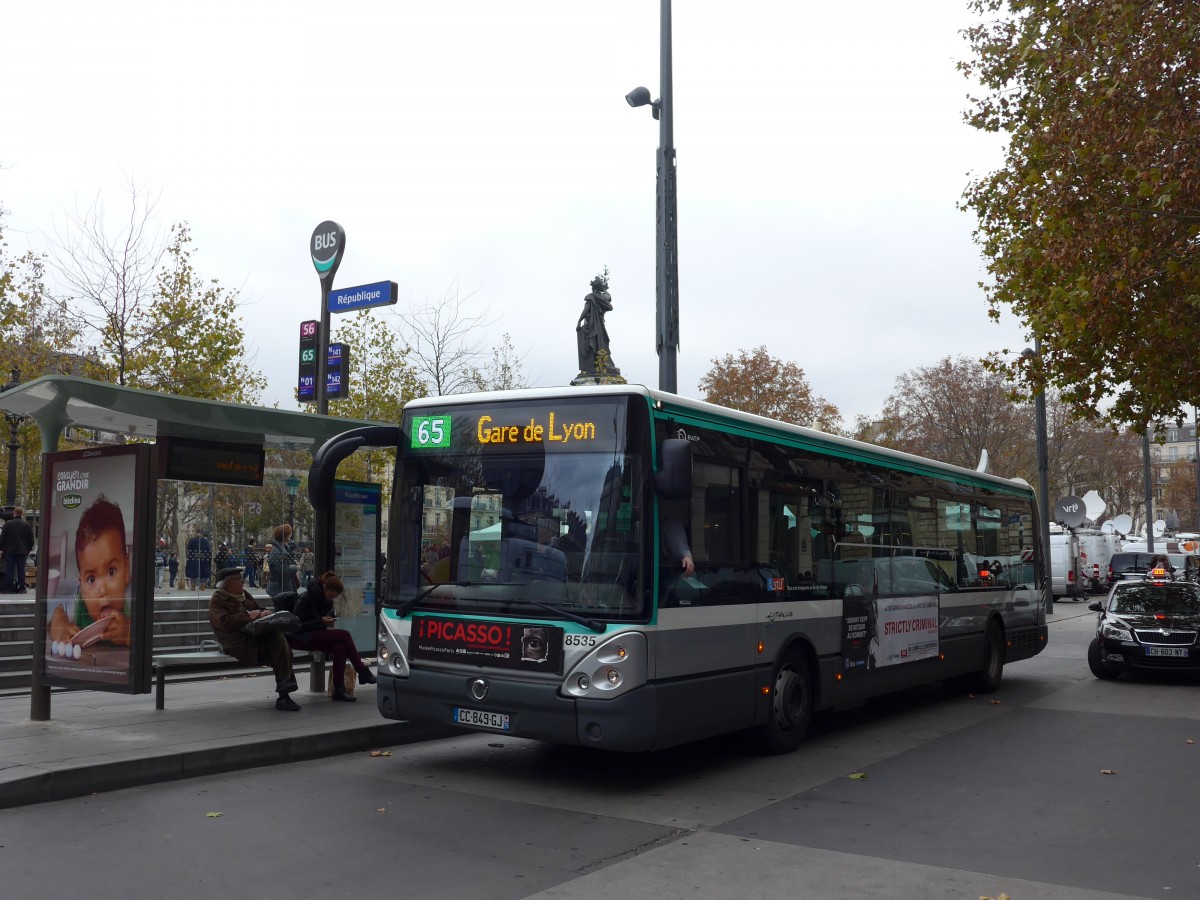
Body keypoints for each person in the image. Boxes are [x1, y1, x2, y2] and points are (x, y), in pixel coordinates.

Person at [208, 566, 301, 711]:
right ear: (227, 583)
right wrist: (249, 616)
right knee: (281, 651)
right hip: (237, 642)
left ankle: (284, 690)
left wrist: (265, 613)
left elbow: (257, 609)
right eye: (239, 579)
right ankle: (284, 693)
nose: (243, 581)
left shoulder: (244, 594)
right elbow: (225, 622)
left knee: (279, 640)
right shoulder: (218, 600)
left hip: (254, 636)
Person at [48, 496, 132, 647]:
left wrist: (128, 633)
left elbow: (145, 634)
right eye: (91, 579)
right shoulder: (77, 605)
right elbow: (57, 616)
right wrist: (63, 631)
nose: (102, 590)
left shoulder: (131, 605)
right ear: (81, 585)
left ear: (126, 569)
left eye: (111, 572)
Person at [287, 570, 377, 702]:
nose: (330, 599)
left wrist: (329, 619)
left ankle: (339, 689)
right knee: (345, 635)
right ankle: (362, 671)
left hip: (315, 634)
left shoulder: (326, 600)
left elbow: (322, 618)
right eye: (330, 595)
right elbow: (296, 625)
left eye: (333, 597)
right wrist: (321, 621)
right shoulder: (305, 598)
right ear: (324, 588)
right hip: (300, 638)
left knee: (340, 648)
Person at [0, 506, 35, 593]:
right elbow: (31, 539)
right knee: (21, 570)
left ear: (14, 513)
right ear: (22, 514)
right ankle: (21, 588)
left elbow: (2, 538)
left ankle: (8, 588)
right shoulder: (26, 525)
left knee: (9, 569)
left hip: (10, 551)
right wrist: (29, 549)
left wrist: (1, 549)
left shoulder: (8, 524)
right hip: (22, 551)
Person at [266, 523, 296, 597]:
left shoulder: (281, 549)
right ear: (285, 536)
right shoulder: (278, 552)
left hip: (280, 588)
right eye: (289, 533)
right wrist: (294, 567)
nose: (290, 535)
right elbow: (283, 571)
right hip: (279, 589)